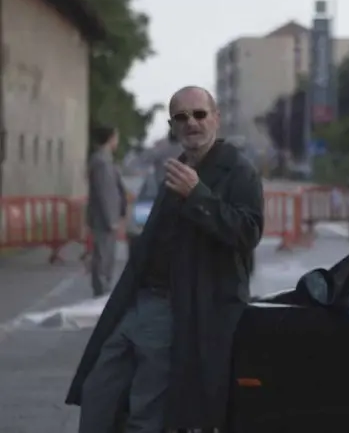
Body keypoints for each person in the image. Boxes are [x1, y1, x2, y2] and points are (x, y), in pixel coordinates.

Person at [66, 86, 264, 432]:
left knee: (148, 409)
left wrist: (198, 195)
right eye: (181, 117)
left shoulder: (238, 170)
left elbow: (248, 232)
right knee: (99, 389)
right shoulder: (177, 167)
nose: (192, 123)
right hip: (140, 300)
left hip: (185, 307)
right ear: (172, 125)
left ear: (216, 118)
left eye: (199, 114)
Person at [86, 125, 124, 297]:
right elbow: (105, 192)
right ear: (110, 138)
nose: (117, 141)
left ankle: (104, 289)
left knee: (107, 256)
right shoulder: (102, 162)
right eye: (116, 137)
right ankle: (101, 291)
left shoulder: (106, 160)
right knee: (103, 256)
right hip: (104, 218)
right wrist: (111, 219)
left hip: (107, 217)